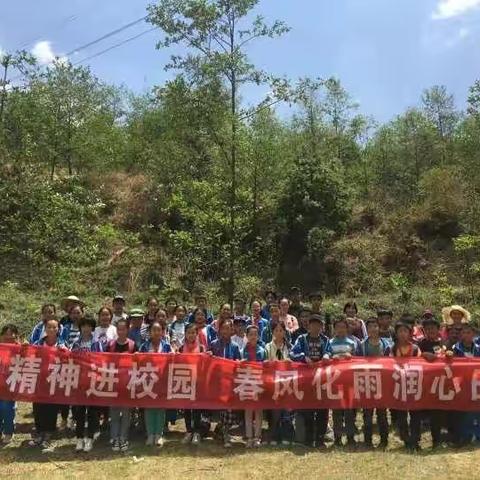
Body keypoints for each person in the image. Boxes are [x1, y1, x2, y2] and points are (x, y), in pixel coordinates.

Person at [290, 314, 329, 448]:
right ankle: (308, 438)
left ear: (321, 327)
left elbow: (329, 352)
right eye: (313, 324)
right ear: (309, 325)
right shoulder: (301, 339)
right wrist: (303, 357)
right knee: (307, 410)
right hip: (305, 380)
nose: (316, 327)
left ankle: (320, 439)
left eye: (318, 325)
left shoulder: (325, 339)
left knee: (323, 410)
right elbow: (292, 354)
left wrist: (326, 355)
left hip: (322, 380)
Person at [385, 322, 422, 451]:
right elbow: (388, 365)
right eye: (400, 331)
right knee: (401, 415)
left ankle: (415, 439)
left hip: (413, 385)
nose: (402, 334)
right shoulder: (392, 349)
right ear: (396, 333)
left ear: (410, 333)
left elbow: (421, 365)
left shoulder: (416, 349)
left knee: (415, 414)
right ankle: (406, 439)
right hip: (399, 387)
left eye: (405, 331)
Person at [31, 318, 65, 453]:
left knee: (51, 408)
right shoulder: (38, 343)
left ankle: (49, 434)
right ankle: (39, 432)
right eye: (49, 327)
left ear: (58, 329)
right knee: (38, 406)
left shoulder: (62, 345)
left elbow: (68, 360)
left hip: (54, 381)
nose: (51, 329)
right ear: (45, 329)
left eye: (54, 327)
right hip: (39, 380)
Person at [70, 316, 103, 452]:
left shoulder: (97, 343)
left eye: (89, 326)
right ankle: (79, 439)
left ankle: (89, 439)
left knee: (92, 412)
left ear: (92, 328)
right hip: (78, 381)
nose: (86, 328)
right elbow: (71, 359)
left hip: (93, 380)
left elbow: (102, 360)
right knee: (79, 412)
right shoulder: (76, 343)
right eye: (83, 326)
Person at [208, 318, 241, 448]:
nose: (226, 331)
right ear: (219, 330)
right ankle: (225, 435)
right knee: (224, 410)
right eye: (223, 328)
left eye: (228, 328)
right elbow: (209, 359)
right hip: (218, 383)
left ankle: (220, 430)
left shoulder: (235, 346)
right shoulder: (214, 344)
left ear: (232, 330)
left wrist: (238, 361)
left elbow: (238, 360)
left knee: (230, 411)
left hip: (231, 382)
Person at [324, 318, 357, 447]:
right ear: (334, 329)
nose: (341, 330)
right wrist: (333, 358)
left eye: (343, 327)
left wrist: (352, 357)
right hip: (335, 381)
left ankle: (350, 436)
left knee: (349, 410)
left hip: (349, 381)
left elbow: (359, 360)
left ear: (347, 328)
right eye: (338, 327)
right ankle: (337, 437)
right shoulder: (329, 343)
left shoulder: (352, 343)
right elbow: (325, 357)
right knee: (337, 411)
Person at [139, 320, 172, 447]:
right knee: (149, 408)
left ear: (162, 332)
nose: (157, 332)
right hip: (148, 381)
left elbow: (173, 360)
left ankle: (159, 434)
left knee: (160, 408)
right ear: (150, 332)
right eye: (154, 330)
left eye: (159, 330)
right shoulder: (144, 346)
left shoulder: (167, 346)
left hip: (162, 381)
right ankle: (150, 434)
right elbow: (138, 361)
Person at [106, 318, 136, 452]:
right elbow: (105, 361)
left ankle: (123, 437)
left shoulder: (133, 345)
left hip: (128, 383)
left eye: (124, 329)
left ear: (128, 330)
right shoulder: (110, 344)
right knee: (114, 412)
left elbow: (138, 362)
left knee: (125, 412)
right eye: (119, 329)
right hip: (114, 382)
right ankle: (114, 437)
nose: (121, 331)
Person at [416, 316, 446, 449]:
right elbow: (415, 357)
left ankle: (437, 439)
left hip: (439, 382)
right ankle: (417, 440)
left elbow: (447, 357)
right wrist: (424, 355)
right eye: (427, 329)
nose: (430, 331)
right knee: (421, 410)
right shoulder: (421, 344)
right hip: (424, 382)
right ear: (424, 330)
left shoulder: (443, 343)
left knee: (437, 411)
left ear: (438, 329)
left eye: (433, 328)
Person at [360, 318, 390, 449]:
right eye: (370, 326)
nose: (373, 328)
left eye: (375, 326)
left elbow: (391, 361)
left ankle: (384, 441)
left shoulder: (386, 344)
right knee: (367, 414)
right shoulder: (361, 345)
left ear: (379, 328)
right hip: (366, 382)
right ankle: (368, 441)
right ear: (366, 329)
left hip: (382, 383)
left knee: (382, 414)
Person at [264, 322, 294, 445]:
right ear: (273, 332)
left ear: (284, 332)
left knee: (286, 410)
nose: (278, 333)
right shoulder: (268, 347)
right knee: (275, 411)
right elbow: (265, 362)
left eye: (281, 330)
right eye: (276, 330)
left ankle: (286, 436)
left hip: (287, 382)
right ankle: (274, 435)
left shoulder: (289, 346)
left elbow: (294, 360)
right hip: (273, 382)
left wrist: (289, 361)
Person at [179, 323, 207, 445]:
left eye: (193, 333)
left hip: (197, 381)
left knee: (196, 408)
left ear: (197, 334)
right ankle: (188, 431)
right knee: (186, 408)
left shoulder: (201, 348)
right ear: (185, 334)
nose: (191, 335)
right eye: (189, 332)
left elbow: (205, 365)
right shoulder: (180, 348)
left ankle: (196, 432)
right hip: (184, 381)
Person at [241, 325, 266, 448]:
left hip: (258, 382)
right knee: (248, 411)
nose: (253, 337)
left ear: (258, 336)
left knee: (258, 411)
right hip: (246, 382)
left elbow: (266, 367)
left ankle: (257, 437)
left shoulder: (262, 350)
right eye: (250, 334)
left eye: (255, 335)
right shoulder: (242, 350)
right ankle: (249, 437)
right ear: (246, 336)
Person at [0, 324, 19, 444]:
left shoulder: (21, 348)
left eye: (11, 334)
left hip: (11, 383)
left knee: (6, 408)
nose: (8, 336)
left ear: (16, 335)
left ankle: (8, 431)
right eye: (5, 334)